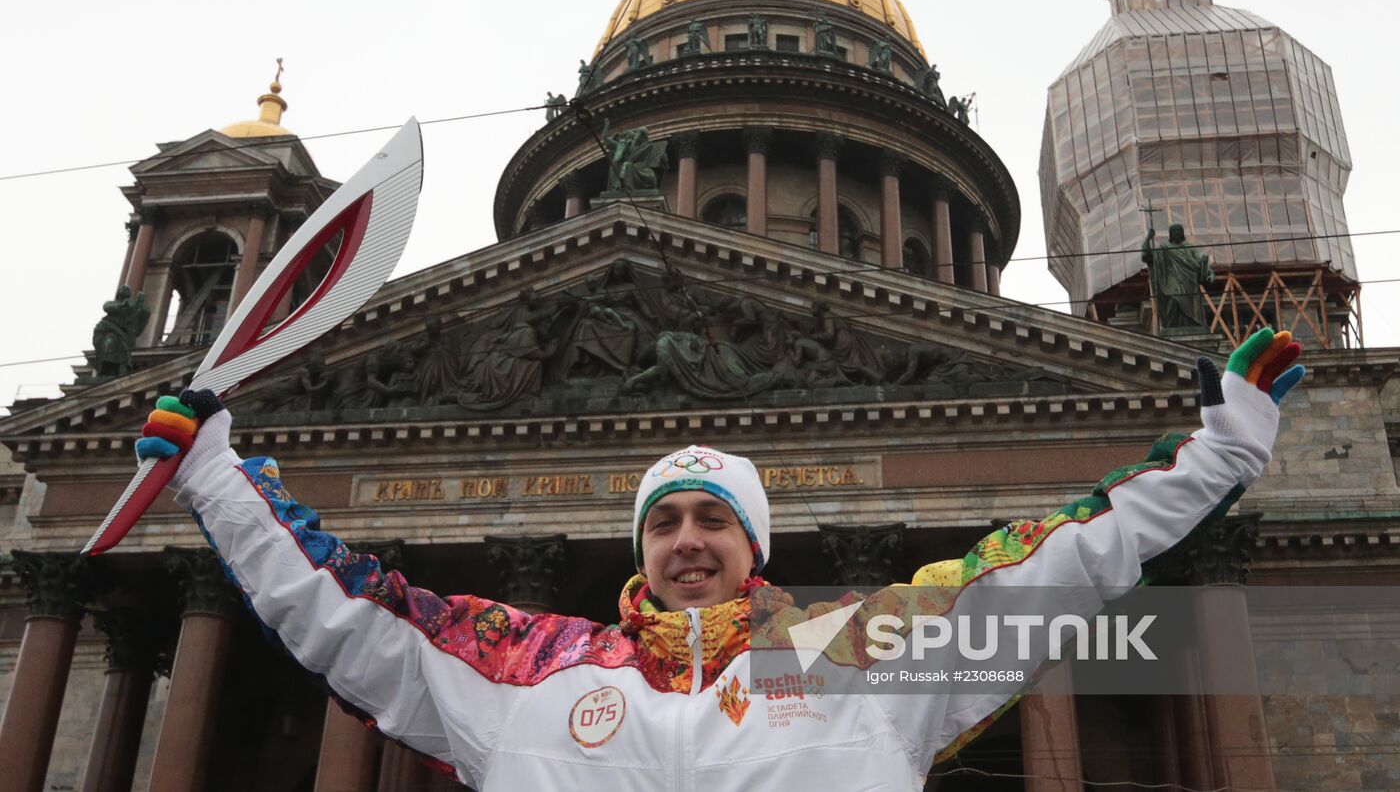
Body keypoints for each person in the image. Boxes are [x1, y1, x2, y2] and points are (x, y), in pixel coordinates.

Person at [136, 329, 1305, 789]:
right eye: (664, 520)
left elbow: (1050, 565)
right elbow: (345, 610)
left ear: (753, 543)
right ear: (638, 545)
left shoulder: (850, 654)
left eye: (711, 519)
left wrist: (1216, 454)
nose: (687, 540)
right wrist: (214, 478)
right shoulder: (528, 661)